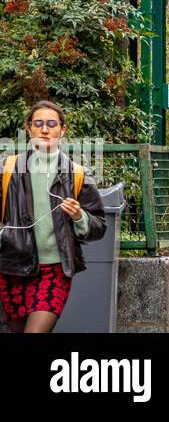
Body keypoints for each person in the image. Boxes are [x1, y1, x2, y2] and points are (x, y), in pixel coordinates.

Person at [0, 101, 107, 333]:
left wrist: (80, 216)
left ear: (62, 130)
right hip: (12, 267)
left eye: (51, 124)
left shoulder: (78, 174)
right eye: (38, 124)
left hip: (54, 271)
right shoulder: (8, 169)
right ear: (29, 129)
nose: (45, 130)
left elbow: (99, 225)